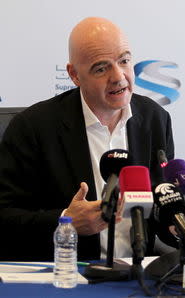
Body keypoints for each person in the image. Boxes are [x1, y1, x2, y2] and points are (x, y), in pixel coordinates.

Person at [0, 17, 174, 261]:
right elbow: (5, 216)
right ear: (74, 75)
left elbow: (159, 209)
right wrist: (65, 221)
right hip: (68, 275)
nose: (119, 77)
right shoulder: (33, 127)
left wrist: (174, 219)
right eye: (101, 68)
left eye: (124, 60)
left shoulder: (155, 119)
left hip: (137, 276)